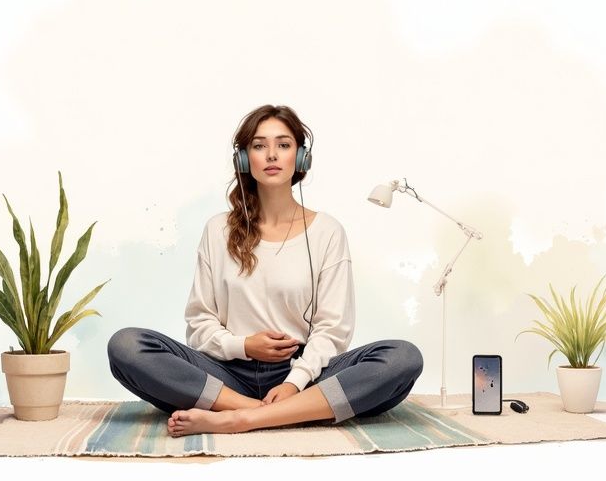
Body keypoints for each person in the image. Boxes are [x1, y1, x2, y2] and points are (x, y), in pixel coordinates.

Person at [107, 104, 423, 437]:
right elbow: (200, 323)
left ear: (301, 158)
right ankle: (263, 411)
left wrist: (294, 383)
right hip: (225, 376)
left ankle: (240, 419)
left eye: (283, 145)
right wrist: (244, 346)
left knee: (402, 358)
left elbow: (332, 329)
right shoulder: (218, 230)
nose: (271, 154)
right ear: (244, 159)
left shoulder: (327, 231)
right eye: (259, 146)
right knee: (126, 346)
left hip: (304, 374)